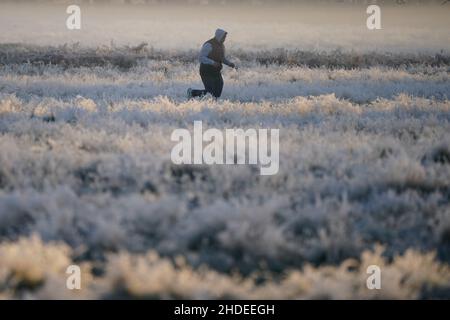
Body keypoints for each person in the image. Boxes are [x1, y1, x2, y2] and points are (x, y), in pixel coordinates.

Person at [187, 28, 237, 99]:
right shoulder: (208, 45)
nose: (224, 39)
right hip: (206, 71)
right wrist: (212, 63)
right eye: (223, 37)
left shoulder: (222, 46)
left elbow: (222, 58)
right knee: (210, 92)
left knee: (217, 92)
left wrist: (229, 63)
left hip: (216, 71)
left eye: (225, 37)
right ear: (219, 36)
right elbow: (201, 57)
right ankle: (192, 92)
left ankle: (213, 105)